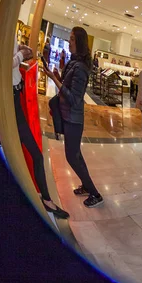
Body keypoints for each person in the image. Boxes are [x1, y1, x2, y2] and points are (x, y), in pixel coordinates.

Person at [14, 0, 68, 219]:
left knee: (29, 150)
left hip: (16, 94)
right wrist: (20, 56)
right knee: (32, 152)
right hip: (12, 97)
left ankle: (44, 197)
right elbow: (4, 61)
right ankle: (45, 199)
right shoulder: (10, 14)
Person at [43, 26, 103, 208]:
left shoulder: (81, 68)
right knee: (76, 155)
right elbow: (67, 85)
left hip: (73, 119)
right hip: (70, 117)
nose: (69, 43)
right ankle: (86, 186)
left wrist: (55, 81)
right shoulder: (74, 62)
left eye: (71, 40)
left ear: (79, 43)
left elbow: (75, 99)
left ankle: (95, 193)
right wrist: (56, 76)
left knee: (72, 156)